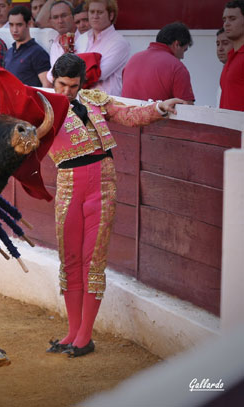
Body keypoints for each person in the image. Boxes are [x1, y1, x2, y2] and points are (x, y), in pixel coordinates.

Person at [46, 53, 183, 358]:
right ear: (52, 79)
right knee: (70, 259)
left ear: (82, 83)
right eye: (62, 84)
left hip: (103, 184)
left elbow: (128, 116)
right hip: (69, 184)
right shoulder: (41, 105)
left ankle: (84, 336)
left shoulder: (95, 100)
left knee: (92, 259)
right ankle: (71, 331)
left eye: (73, 85)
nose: (67, 91)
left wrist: (160, 107)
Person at [122, 22, 195, 103]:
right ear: (177, 44)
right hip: (158, 115)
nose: (182, 57)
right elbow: (187, 108)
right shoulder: (177, 67)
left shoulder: (132, 59)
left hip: (127, 114)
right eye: (184, 50)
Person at [77, 0, 129, 96]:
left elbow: (98, 74)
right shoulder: (82, 38)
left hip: (107, 102)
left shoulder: (119, 43)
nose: (95, 16)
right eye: (92, 12)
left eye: (100, 12)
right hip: (82, 99)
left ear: (111, 15)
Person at [5, 6, 50, 87]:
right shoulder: (9, 52)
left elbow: (47, 85)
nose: (14, 30)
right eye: (11, 25)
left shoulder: (38, 53)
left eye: (19, 25)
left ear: (28, 24)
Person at [43, 1, 78, 84]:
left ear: (74, 17)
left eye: (64, 15)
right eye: (55, 17)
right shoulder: (55, 44)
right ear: (51, 21)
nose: (60, 21)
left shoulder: (85, 39)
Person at [220, 0, 244, 111]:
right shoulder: (230, 57)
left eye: (232, 19)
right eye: (224, 19)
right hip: (226, 126)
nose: (226, 24)